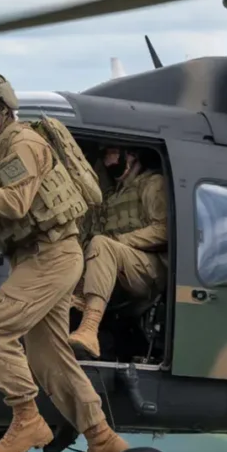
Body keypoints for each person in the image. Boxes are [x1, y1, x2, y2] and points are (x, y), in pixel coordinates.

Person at [0, 73, 128, 452]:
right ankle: (103, 440)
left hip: (52, 257)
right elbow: (13, 215)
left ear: (4, 107)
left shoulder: (22, 143)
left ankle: (27, 419)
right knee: (49, 358)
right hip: (38, 256)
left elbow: (17, 203)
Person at [69, 146, 168, 360]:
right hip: (121, 266)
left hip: (149, 268)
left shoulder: (153, 184)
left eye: (111, 153)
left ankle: (89, 329)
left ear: (131, 155)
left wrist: (120, 241)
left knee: (102, 245)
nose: (107, 160)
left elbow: (164, 230)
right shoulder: (113, 194)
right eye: (104, 155)